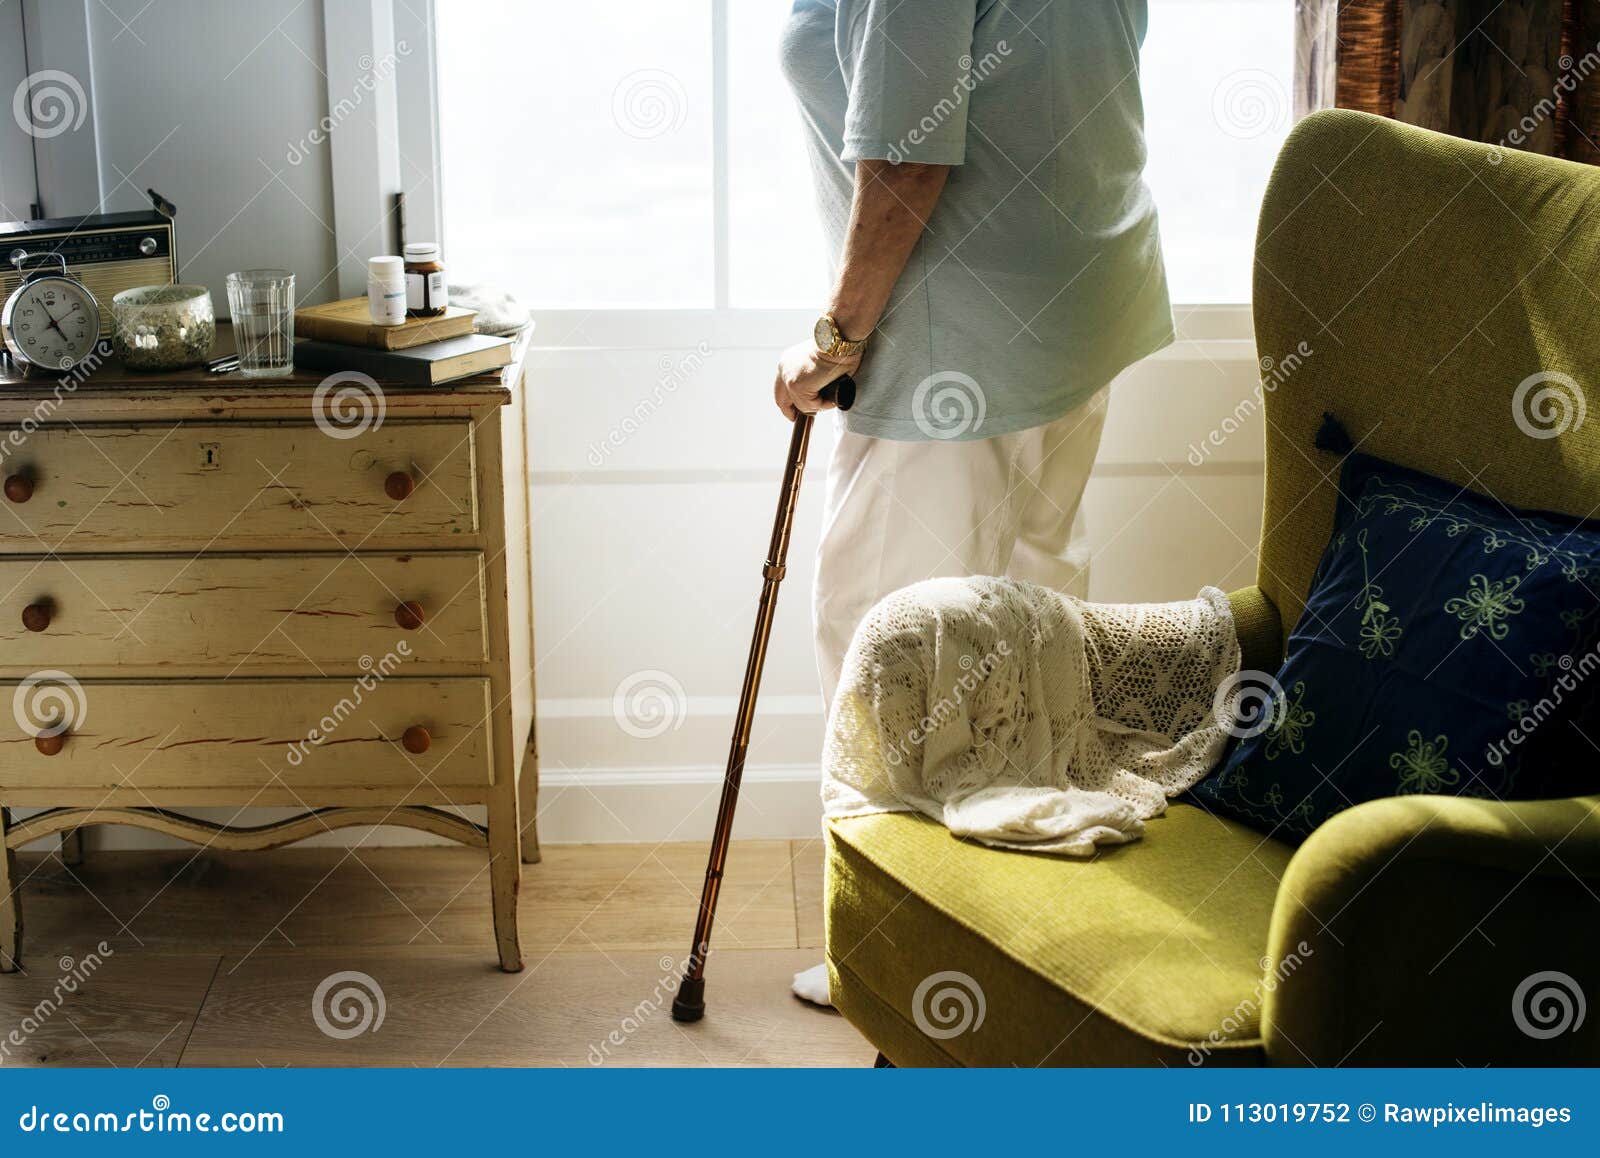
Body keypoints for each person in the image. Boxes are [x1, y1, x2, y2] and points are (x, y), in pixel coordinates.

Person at [776, 0, 1173, 1005]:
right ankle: (1019, 944)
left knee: (890, 641)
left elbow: (909, 163)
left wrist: (833, 340)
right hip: (1076, 299)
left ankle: (902, 950)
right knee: (1025, 625)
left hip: (958, 337)